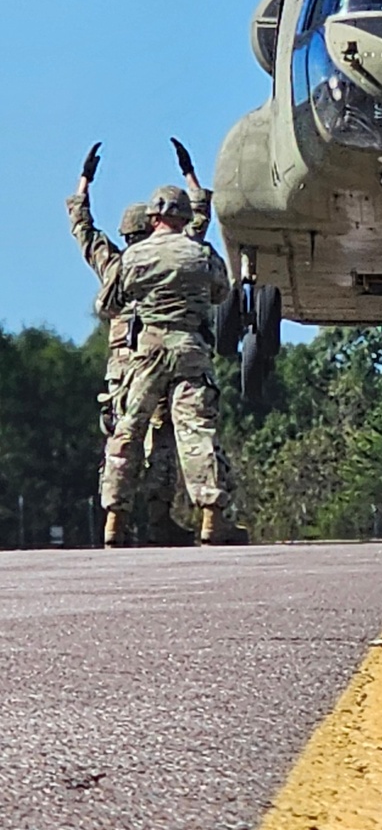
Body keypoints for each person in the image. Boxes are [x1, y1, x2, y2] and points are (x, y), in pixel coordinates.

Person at [66, 139, 211, 545]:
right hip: (168, 353)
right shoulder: (169, 259)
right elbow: (197, 225)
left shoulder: (115, 264)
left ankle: (117, 519)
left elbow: (83, 230)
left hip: (127, 367)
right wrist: (189, 175)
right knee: (165, 441)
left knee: (125, 437)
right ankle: (159, 518)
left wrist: (84, 183)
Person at [99, 183, 245, 547]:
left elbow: (109, 303)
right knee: (196, 429)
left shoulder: (133, 258)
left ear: (153, 217)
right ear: (183, 217)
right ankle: (212, 517)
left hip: (147, 351)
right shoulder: (200, 253)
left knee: (130, 428)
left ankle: (114, 519)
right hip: (190, 346)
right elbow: (221, 293)